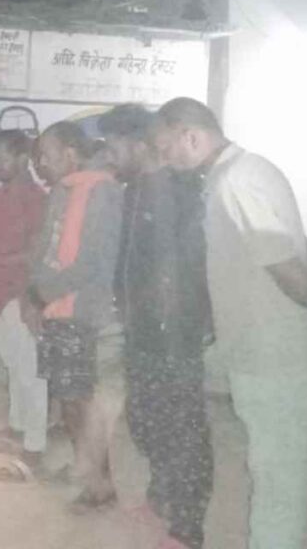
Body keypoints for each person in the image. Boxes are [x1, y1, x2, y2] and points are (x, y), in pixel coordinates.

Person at [154, 97, 307, 549]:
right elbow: (302, 249)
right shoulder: (244, 173)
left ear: (192, 136)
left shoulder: (237, 182)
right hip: (268, 347)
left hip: (270, 352)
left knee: (276, 470)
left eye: (168, 148)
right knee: (277, 463)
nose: (166, 159)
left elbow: (289, 267)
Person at [102, 104, 213, 549]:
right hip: (141, 327)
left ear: (137, 143)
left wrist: (177, 326)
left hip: (173, 333)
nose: (108, 155)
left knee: (182, 428)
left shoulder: (177, 189)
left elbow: (183, 266)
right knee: (144, 419)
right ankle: (162, 493)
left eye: (113, 146)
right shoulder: (135, 190)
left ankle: (188, 527)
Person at [29, 121, 123, 512]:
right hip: (57, 308)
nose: (40, 163)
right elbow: (45, 247)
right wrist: (36, 295)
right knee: (68, 399)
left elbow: (95, 261)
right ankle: (85, 467)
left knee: (82, 403)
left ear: (70, 153)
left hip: (83, 311)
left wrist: (45, 292)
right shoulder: (63, 190)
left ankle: (101, 485)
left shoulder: (102, 191)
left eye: (46, 155)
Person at [0, 129, 49, 482]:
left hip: (21, 295)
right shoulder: (3, 194)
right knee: (14, 367)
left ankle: (34, 451)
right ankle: (18, 429)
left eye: (2, 158)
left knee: (31, 373)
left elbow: (36, 253)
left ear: (23, 159)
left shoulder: (35, 198)